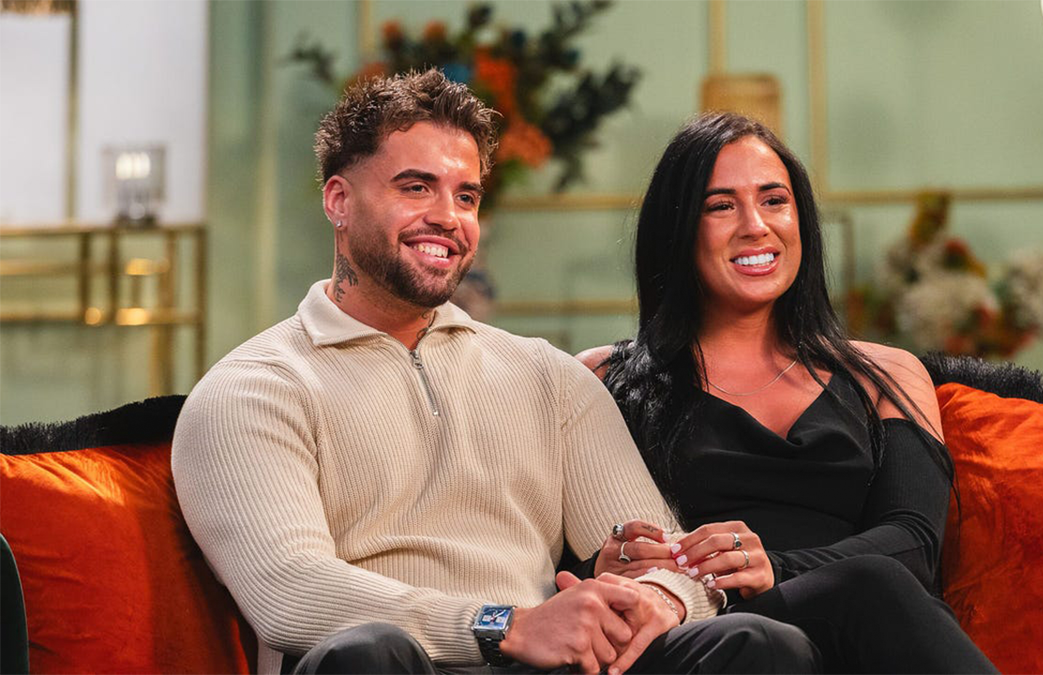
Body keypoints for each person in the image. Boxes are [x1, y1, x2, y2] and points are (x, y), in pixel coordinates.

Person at [171, 71, 818, 675]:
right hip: (408, 660)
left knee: (760, 643)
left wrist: (660, 598)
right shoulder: (252, 388)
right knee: (368, 653)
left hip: (547, 661)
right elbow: (290, 591)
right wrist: (502, 623)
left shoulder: (546, 374)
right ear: (338, 200)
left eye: (467, 195)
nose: (448, 218)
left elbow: (665, 555)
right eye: (416, 186)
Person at [576, 112, 998, 674]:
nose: (756, 225)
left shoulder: (884, 375)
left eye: (774, 200)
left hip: (861, 634)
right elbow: (543, 557)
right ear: (676, 230)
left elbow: (914, 544)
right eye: (720, 205)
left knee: (872, 583)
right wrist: (596, 564)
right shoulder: (604, 379)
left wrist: (777, 565)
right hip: (706, 638)